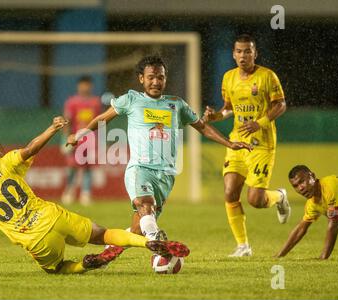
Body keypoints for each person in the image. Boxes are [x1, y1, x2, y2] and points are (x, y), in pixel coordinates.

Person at [0, 116, 190, 274]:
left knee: (56, 270)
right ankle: (147, 243)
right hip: (53, 216)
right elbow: (31, 148)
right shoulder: (5, 162)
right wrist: (52, 128)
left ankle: (84, 265)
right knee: (102, 234)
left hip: (36, 240)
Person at [66, 55, 251, 242]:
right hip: (140, 168)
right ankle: (157, 242)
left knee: (138, 228)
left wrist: (229, 143)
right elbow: (102, 118)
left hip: (166, 174)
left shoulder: (176, 104)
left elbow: (202, 127)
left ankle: (106, 255)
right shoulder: (131, 99)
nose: (156, 82)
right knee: (145, 203)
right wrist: (79, 135)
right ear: (141, 79)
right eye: (151, 77)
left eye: (160, 77)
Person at [203, 34, 291, 257]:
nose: (243, 55)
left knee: (256, 201)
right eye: (239, 51)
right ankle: (243, 246)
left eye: (248, 51)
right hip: (237, 143)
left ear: (255, 53)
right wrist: (215, 116)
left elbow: (281, 105)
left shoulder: (267, 76)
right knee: (230, 192)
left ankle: (279, 196)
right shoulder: (228, 77)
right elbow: (228, 108)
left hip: (261, 145)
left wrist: (259, 123)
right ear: (233, 54)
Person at [275, 165, 338, 259]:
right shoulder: (312, 204)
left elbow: (334, 224)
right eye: (295, 186)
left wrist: (323, 258)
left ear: (312, 176)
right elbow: (300, 229)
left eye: (302, 181)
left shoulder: (330, 186)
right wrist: (279, 256)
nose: (300, 188)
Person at [61, 76, 102, 206]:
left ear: (91, 86)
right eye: (83, 85)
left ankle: (86, 193)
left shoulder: (95, 102)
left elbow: (100, 122)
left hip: (90, 140)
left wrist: (100, 141)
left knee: (88, 167)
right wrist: (66, 138)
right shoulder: (72, 102)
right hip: (75, 139)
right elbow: (67, 120)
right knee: (72, 167)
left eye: (87, 85)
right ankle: (69, 192)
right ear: (79, 86)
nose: (85, 87)